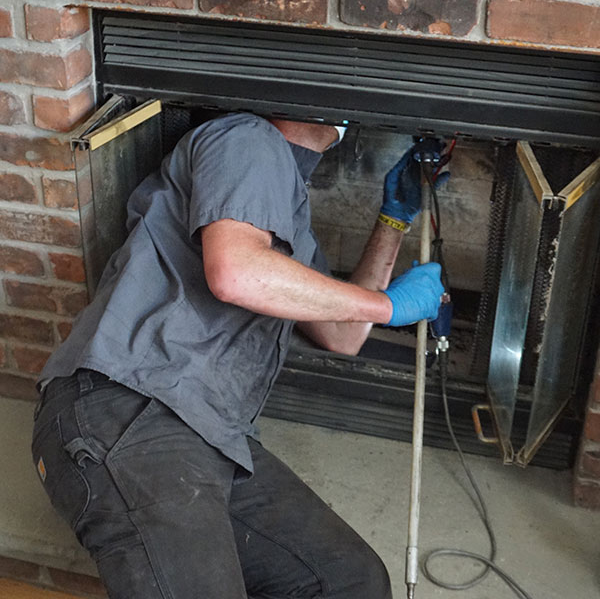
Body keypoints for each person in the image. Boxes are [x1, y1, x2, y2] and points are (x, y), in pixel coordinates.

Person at [31, 112, 444, 599]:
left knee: (348, 581)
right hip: (128, 410)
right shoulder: (247, 138)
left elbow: (341, 334)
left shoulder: (285, 212)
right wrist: (390, 306)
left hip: (209, 435)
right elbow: (235, 272)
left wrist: (394, 220)